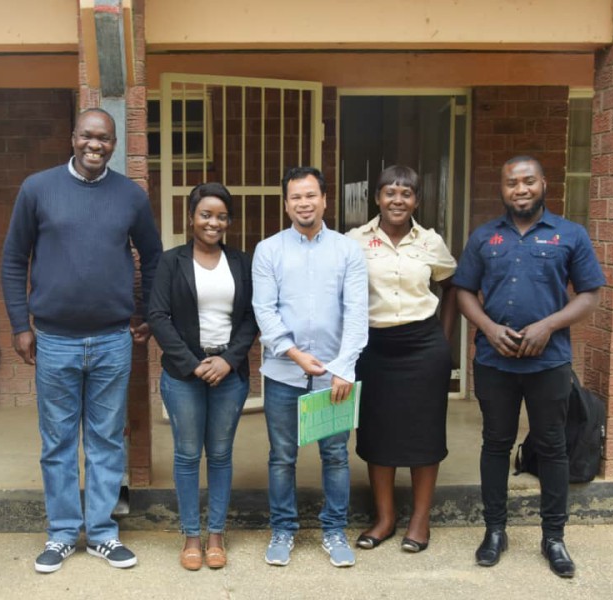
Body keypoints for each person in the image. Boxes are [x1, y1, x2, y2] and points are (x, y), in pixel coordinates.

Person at [1, 108, 163, 572]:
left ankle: (103, 533)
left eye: (105, 138)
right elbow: (14, 260)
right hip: (54, 340)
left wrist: (147, 312)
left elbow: (152, 258)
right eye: (88, 136)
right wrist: (19, 324)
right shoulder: (38, 189)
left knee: (107, 439)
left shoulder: (130, 196)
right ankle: (62, 533)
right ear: (73, 137)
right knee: (57, 441)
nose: (96, 145)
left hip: (113, 339)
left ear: (114, 144)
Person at [453, 155, 604, 578]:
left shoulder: (570, 235)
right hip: (493, 361)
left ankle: (553, 537)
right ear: (502, 190)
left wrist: (547, 326)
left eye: (528, 181)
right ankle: (495, 531)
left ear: (543, 184)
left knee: (553, 446)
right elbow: (463, 291)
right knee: (496, 444)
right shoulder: (484, 237)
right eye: (511, 183)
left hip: (549, 361)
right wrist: (487, 327)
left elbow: (590, 294)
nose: (520, 189)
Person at [252, 166, 368, 568]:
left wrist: (343, 368)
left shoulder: (347, 250)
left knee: (336, 455)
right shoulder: (269, 250)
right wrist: (294, 353)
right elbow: (264, 311)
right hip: (284, 374)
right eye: (296, 197)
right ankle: (283, 528)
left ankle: (333, 530)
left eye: (311, 195)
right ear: (286, 203)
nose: (304, 203)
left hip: (335, 376)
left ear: (324, 199)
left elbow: (356, 313)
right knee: (282, 456)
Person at [148, 182, 259, 571]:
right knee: (186, 455)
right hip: (184, 375)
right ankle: (191, 536)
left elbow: (250, 318)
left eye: (221, 216)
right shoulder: (170, 261)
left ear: (229, 221)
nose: (214, 222)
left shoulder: (242, 263)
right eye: (206, 214)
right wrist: (194, 363)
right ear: (191, 218)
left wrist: (227, 360)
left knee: (222, 455)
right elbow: (158, 317)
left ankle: (216, 535)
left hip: (229, 374)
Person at [346, 165, 457, 554]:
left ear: (417, 201)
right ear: (376, 197)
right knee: (378, 434)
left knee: (424, 433)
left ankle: (419, 521)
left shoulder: (430, 242)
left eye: (406, 193)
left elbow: (451, 285)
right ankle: (385, 518)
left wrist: (443, 341)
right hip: (374, 349)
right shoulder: (354, 241)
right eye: (390, 192)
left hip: (423, 348)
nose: (397, 200)